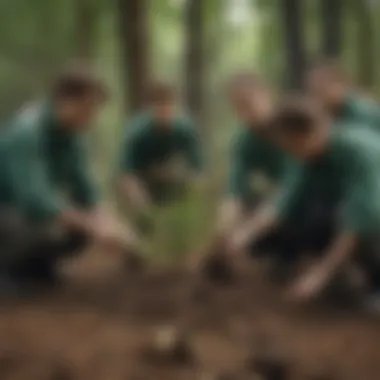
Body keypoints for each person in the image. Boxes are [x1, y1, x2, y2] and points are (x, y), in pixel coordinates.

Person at [227, 96, 380, 307]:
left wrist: (320, 275)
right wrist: (243, 236)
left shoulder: (359, 153)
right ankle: (342, 275)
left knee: (362, 224)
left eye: (294, 146)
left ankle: (374, 285)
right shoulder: (305, 156)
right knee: (305, 218)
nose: (292, 153)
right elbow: (283, 204)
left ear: (314, 132)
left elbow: (359, 222)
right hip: (353, 213)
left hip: (371, 215)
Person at [0, 63, 139, 293]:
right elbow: (36, 200)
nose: (92, 116)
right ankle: (7, 269)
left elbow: (88, 191)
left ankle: (37, 268)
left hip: (21, 212)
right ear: (64, 101)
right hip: (8, 210)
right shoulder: (26, 132)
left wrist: (110, 222)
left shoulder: (73, 138)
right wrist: (94, 227)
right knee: (39, 223)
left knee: (78, 229)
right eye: (88, 107)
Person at [192, 74, 286, 280]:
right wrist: (224, 231)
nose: (248, 111)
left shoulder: (291, 127)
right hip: (281, 200)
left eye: (251, 102)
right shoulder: (245, 141)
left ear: (268, 96)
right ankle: (282, 259)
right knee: (251, 210)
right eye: (239, 107)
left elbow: (293, 190)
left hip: (317, 199)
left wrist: (247, 233)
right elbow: (235, 191)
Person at [118, 81, 203, 233]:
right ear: (149, 108)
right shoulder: (137, 132)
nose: (164, 111)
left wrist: (191, 204)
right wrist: (142, 208)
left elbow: (199, 171)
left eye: (169, 105)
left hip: (172, 177)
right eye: (159, 106)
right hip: (140, 180)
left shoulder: (185, 130)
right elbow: (126, 174)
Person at [306, 58, 380, 131]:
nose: (319, 95)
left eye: (322, 87)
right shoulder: (324, 113)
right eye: (314, 89)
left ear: (341, 85)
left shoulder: (364, 109)